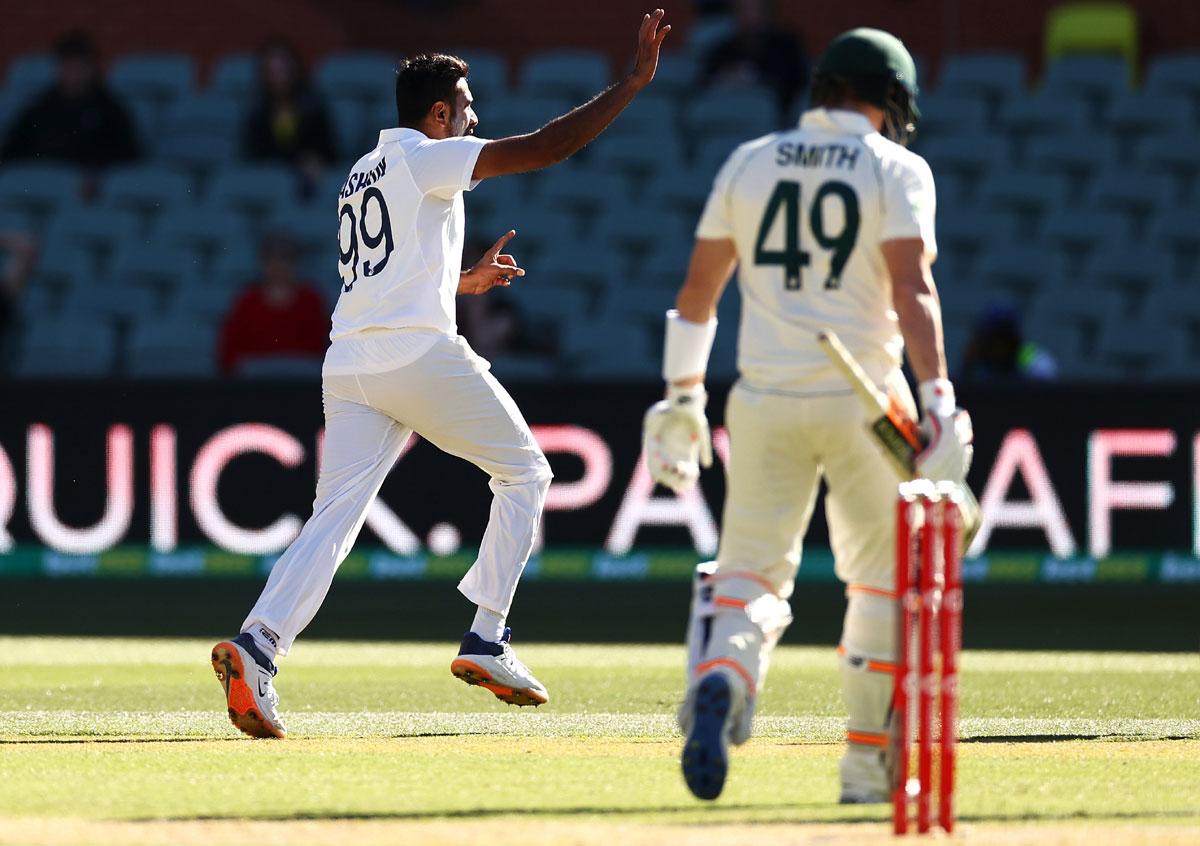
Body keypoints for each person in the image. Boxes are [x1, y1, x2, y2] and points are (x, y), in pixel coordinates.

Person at [211, 9, 672, 739]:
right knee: (527, 475)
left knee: (333, 520)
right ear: (437, 113)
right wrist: (631, 84)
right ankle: (488, 636)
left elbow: (385, 275)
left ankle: (258, 645)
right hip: (416, 356)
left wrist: (459, 280)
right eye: (466, 106)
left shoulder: (363, 172)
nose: (474, 116)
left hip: (350, 362)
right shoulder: (428, 157)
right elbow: (547, 149)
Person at [642, 28, 973, 802]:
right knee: (880, 586)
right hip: (866, 400)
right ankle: (862, 766)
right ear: (890, 99)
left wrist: (683, 396)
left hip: (762, 398)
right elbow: (912, 292)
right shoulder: (898, 167)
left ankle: (724, 674)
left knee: (750, 571)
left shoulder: (749, 160)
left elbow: (697, 296)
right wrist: (939, 400)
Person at [0, 31, 139, 169]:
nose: (74, 74)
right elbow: (12, 150)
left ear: (91, 68)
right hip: (42, 181)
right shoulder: (41, 107)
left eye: (79, 66)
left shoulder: (110, 110)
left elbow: (129, 155)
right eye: (67, 66)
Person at [217, 232, 330, 375]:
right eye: (273, 258)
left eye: (285, 258)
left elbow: (322, 347)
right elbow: (229, 353)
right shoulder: (247, 301)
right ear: (263, 263)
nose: (279, 265)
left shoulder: (312, 300)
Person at [241, 39, 338, 193]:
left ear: (294, 70)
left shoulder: (313, 107)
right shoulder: (258, 110)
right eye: (272, 73)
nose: (279, 79)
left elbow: (329, 151)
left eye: (283, 71)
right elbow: (253, 152)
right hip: (269, 179)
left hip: (307, 179)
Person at [699, 0, 809, 122]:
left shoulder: (786, 45)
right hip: (724, 119)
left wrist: (751, 76)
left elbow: (792, 81)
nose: (748, 16)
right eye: (743, 10)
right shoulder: (722, 49)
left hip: (772, 121)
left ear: (767, 13)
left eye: (753, 10)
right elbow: (704, 83)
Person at [960, 303, 1058, 383]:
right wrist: (968, 364)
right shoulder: (977, 358)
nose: (999, 346)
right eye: (993, 338)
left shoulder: (1028, 356)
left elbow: (1047, 376)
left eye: (1004, 338)